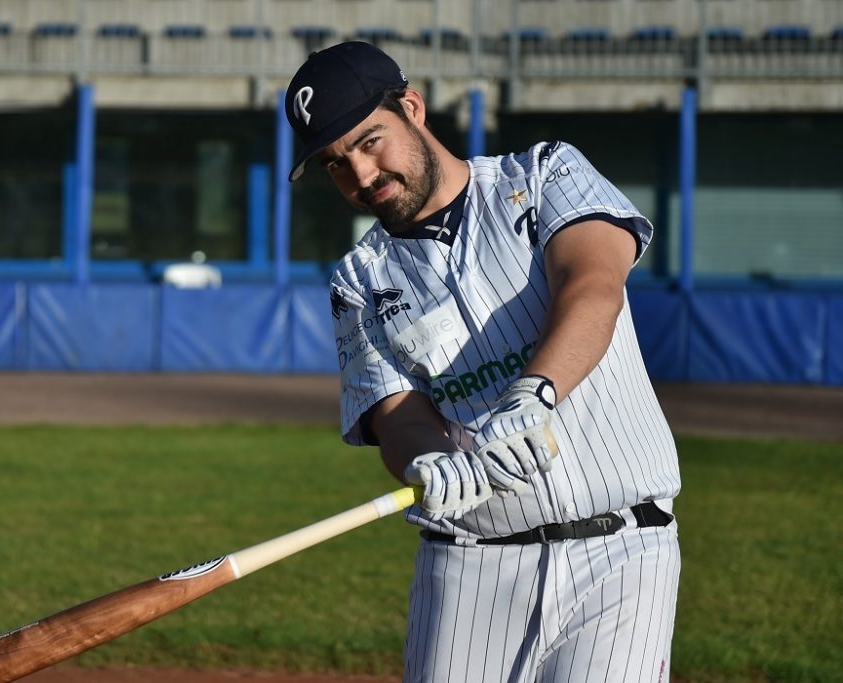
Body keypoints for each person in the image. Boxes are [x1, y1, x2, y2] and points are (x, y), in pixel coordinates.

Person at [285, 41, 682, 683]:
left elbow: (592, 286)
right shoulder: (357, 282)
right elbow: (396, 414)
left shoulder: (545, 175)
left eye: (369, 142)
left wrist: (535, 393)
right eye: (335, 163)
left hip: (621, 554)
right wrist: (426, 460)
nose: (360, 174)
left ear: (412, 108)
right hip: (469, 565)